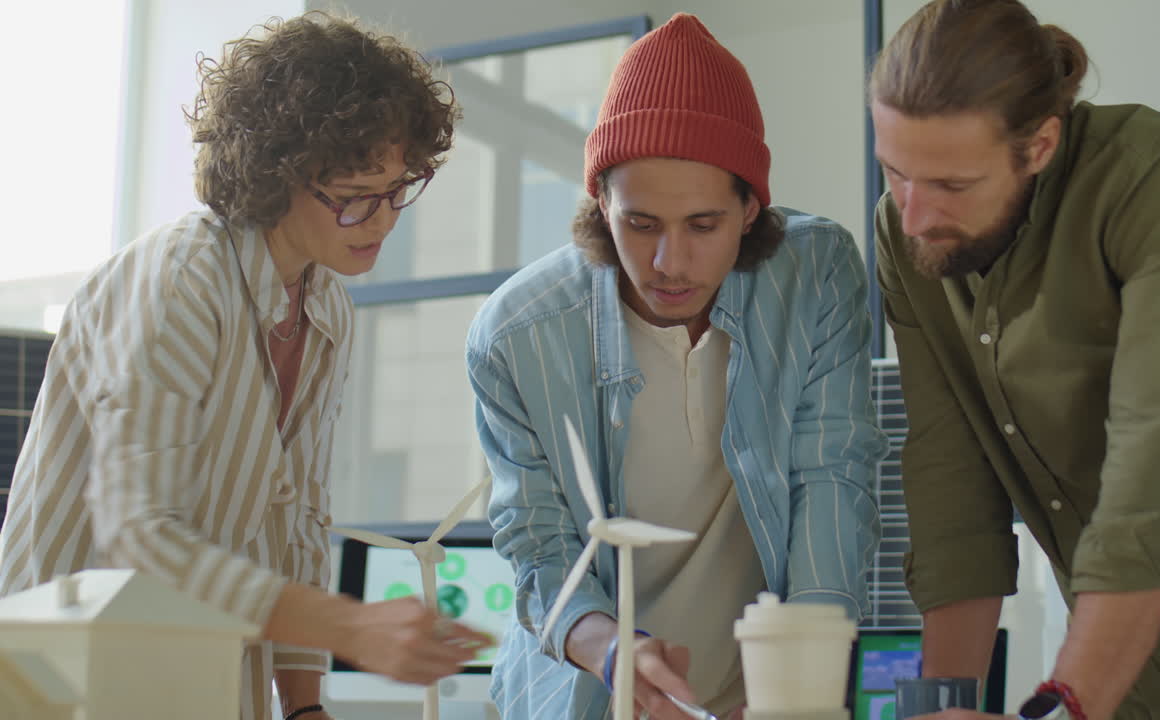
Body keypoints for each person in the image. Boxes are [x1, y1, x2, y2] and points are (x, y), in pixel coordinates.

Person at [0, 13, 488, 720]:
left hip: (198, 672)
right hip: (65, 680)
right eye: (354, 199)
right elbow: (138, 533)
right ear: (277, 173)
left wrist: (304, 705)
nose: (382, 222)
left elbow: (298, 526)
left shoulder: (325, 308)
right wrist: (352, 627)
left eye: (396, 191)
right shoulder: (182, 278)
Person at [467, 13, 887, 720]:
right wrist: (610, 652)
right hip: (587, 691)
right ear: (601, 202)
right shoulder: (515, 335)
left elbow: (832, 475)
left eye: (702, 225)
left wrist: (805, 689)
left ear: (751, 207)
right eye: (640, 224)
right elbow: (537, 545)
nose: (669, 264)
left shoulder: (815, 274)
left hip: (763, 692)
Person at [869, 1, 1160, 718]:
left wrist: (1066, 704)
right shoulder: (908, 234)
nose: (914, 216)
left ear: (1041, 145)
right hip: (1107, 656)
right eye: (896, 173)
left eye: (951, 186)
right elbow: (950, 479)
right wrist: (937, 704)